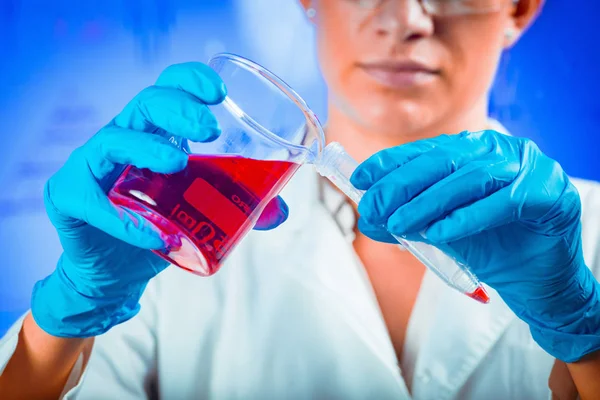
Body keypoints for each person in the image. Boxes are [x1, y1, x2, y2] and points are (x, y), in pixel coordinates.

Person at [1, 0, 600, 398]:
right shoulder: (175, 229)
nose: (405, 19)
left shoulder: (584, 239)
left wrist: (587, 331)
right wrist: (65, 319)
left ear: (519, 8)